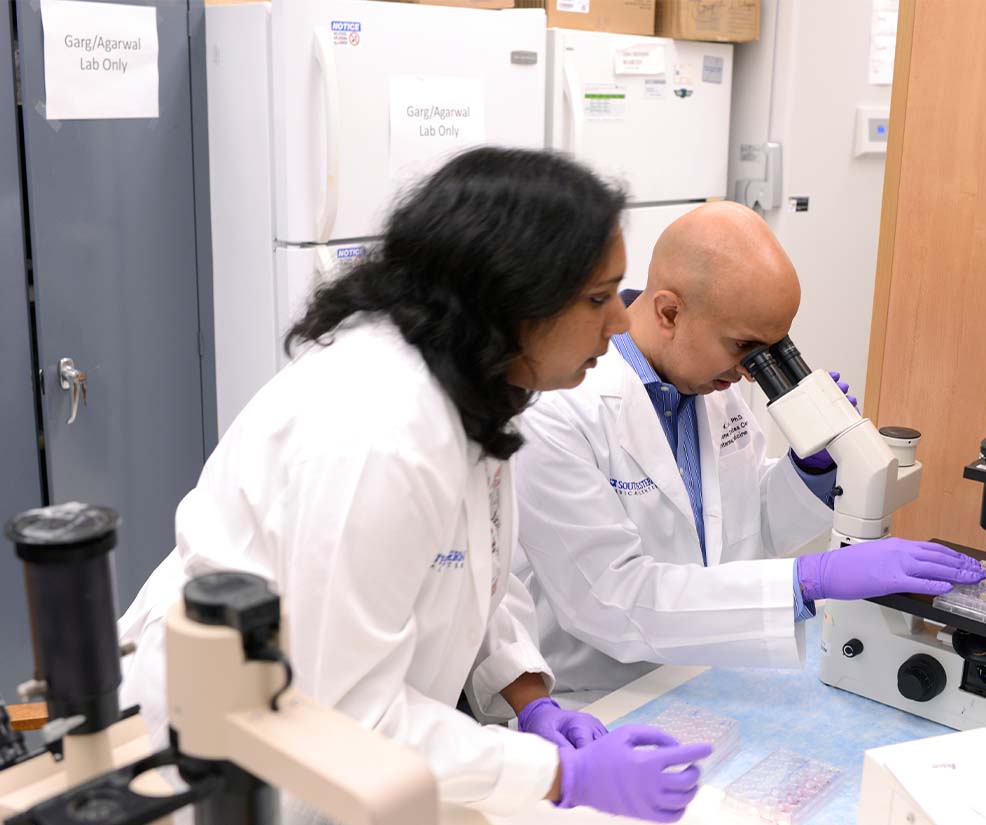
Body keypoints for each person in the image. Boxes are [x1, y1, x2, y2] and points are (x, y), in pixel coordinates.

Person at [116, 148, 711, 823]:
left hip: (328, 747)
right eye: (599, 298)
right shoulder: (381, 431)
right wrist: (560, 774)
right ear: (517, 296)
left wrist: (528, 697)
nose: (622, 322)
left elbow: (472, 566)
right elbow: (348, 718)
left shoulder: (470, 378)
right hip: (223, 761)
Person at [513, 201, 986, 705]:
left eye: (772, 349)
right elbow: (614, 601)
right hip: (599, 696)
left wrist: (809, 473)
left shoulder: (708, 378)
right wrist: (810, 581)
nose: (750, 370)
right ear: (670, 312)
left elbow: (742, 524)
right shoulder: (555, 410)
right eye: (744, 347)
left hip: (707, 677)